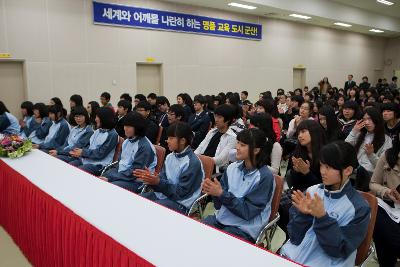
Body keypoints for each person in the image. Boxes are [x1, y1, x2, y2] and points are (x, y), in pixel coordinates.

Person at [280, 141, 371, 267]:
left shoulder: (359, 208)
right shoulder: (312, 191)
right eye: (322, 165)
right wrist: (303, 215)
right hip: (294, 256)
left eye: (328, 167)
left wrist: (322, 218)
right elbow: (295, 237)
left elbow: (339, 250)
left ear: (347, 170)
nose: (322, 171)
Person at [202, 128, 275, 243]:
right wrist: (214, 192)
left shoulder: (265, 177)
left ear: (256, 150)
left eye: (242, 145)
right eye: (237, 143)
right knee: (199, 232)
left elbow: (248, 212)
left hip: (244, 228)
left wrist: (221, 194)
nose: (237, 147)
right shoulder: (232, 168)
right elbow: (218, 205)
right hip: (222, 219)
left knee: (217, 244)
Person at [134, 122, 204, 215]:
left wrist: (158, 182)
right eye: (168, 138)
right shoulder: (170, 157)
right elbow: (163, 180)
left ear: (183, 141)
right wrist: (151, 179)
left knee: (151, 210)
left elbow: (181, 193)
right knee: (137, 201)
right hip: (166, 195)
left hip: (181, 202)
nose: (167, 141)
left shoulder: (192, 162)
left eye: (171, 138)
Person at [102, 112, 157, 193]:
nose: (125, 128)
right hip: (124, 174)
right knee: (103, 177)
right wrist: (110, 175)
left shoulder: (144, 146)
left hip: (137, 181)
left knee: (111, 186)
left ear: (138, 128)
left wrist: (111, 177)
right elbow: (121, 163)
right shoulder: (127, 141)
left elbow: (135, 173)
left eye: (128, 126)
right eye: (125, 125)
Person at [370, 133, 400, 267]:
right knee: (379, 224)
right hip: (388, 205)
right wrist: (387, 192)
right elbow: (373, 183)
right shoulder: (388, 156)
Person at [345, 107, 392, 191]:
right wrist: (354, 131)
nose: (366, 122)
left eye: (370, 119)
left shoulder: (386, 140)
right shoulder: (360, 134)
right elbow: (345, 148)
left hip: (371, 178)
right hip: (353, 174)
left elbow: (384, 167)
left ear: (376, 120)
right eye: (364, 119)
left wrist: (371, 155)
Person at [68, 107, 119, 176]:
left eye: (97, 117)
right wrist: (79, 151)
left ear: (104, 118)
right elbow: (89, 145)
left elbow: (100, 153)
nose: (95, 119)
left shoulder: (112, 135)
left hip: (99, 165)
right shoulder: (97, 131)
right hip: (88, 159)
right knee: (69, 166)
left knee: (78, 171)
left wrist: (83, 152)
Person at [195, 104, 237, 173]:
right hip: (201, 164)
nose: (216, 120)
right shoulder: (212, 132)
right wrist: (194, 158)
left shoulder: (232, 137)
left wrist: (200, 160)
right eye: (215, 116)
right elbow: (200, 147)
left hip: (214, 169)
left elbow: (219, 160)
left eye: (219, 117)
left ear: (228, 120)